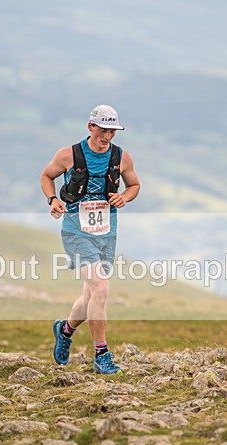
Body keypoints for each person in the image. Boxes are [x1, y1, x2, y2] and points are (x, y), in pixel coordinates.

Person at [40, 104, 141, 374]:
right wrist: (52, 200)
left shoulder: (122, 157)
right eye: (103, 130)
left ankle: (64, 330)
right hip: (75, 231)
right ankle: (101, 355)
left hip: (107, 233)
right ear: (90, 127)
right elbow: (46, 176)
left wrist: (124, 197)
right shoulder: (68, 155)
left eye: (112, 131)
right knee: (102, 290)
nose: (107, 136)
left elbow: (134, 186)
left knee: (90, 296)